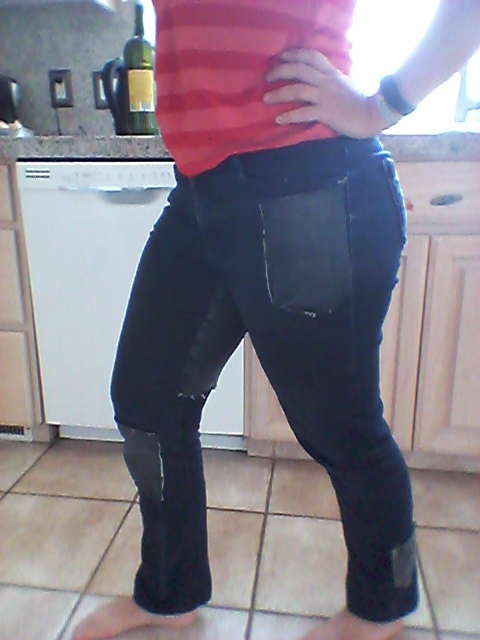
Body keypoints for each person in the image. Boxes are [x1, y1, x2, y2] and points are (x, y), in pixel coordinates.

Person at [73, 2, 480, 639]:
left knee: (338, 425)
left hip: (309, 186)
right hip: (202, 193)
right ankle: (170, 593)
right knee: (147, 402)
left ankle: (382, 606)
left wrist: (381, 105)